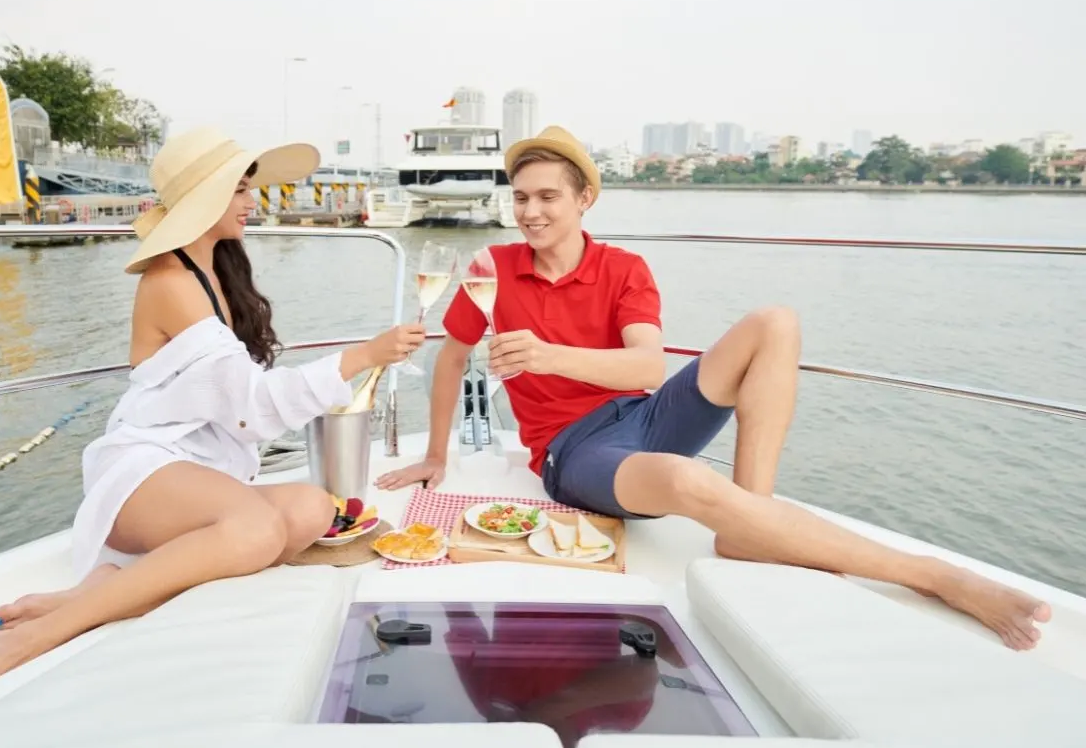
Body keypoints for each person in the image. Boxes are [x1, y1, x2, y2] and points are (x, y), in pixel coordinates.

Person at [375, 125, 1051, 653]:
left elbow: (645, 370)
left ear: (584, 199)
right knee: (687, 481)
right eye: (520, 197)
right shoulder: (493, 267)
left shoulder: (623, 267)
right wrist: (437, 455)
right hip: (574, 453)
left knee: (774, 324)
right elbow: (452, 355)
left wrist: (549, 352)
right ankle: (934, 576)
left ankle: (751, 522)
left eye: (547, 196)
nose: (529, 211)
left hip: (641, 413)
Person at [0, 127, 426, 726]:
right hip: (143, 471)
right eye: (241, 191)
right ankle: (29, 639)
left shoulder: (218, 277)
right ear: (204, 200)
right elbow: (252, 407)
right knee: (254, 528)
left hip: (198, 474)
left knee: (310, 510)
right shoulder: (172, 283)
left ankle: (91, 592)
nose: (254, 203)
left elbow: (236, 415)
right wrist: (364, 354)